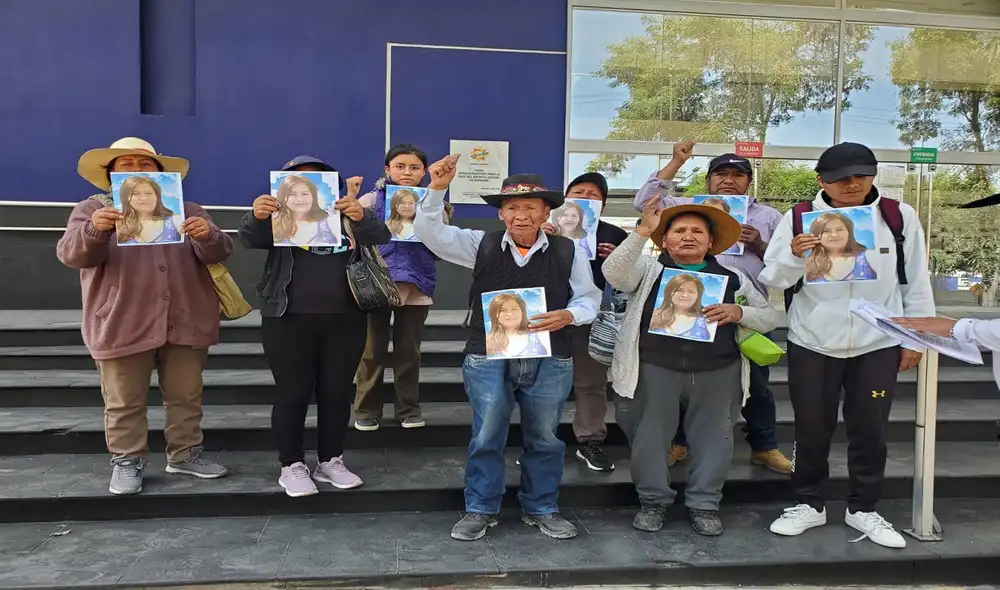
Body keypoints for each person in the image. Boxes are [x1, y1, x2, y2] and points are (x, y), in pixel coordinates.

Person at [414, 157, 602, 541]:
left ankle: (542, 507)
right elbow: (430, 232)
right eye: (512, 207)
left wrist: (569, 315)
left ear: (546, 212)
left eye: (530, 207)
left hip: (550, 356)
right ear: (501, 214)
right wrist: (436, 189)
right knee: (486, 434)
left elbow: (589, 298)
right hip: (487, 355)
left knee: (545, 436)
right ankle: (481, 507)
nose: (521, 215)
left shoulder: (568, 251)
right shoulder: (479, 245)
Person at [760, 142, 935, 549]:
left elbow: (915, 281)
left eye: (861, 175)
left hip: (877, 341)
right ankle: (809, 502)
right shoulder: (799, 217)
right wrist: (794, 256)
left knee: (870, 428)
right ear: (821, 180)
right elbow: (774, 279)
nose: (852, 184)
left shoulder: (898, 216)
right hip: (813, 341)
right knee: (811, 427)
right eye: (841, 178)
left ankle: (864, 507)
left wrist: (915, 339)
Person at [57, 137, 232, 495]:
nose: (137, 170)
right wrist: (94, 229)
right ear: (111, 174)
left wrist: (208, 235)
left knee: (186, 395)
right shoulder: (91, 209)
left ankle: (185, 453)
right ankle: (126, 459)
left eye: (145, 164)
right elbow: (71, 254)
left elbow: (220, 251)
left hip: (185, 318)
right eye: (126, 165)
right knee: (123, 399)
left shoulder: (187, 208)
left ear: (160, 172)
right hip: (121, 321)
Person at [605, 200, 779, 535]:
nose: (688, 236)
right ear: (664, 240)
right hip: (653, 369)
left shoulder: (733, 277)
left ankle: (704, 504)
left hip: (718, 371)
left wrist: (740, 312)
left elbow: (770, 317)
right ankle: (653, 501)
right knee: (649, 439)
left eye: (697, 231)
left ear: (711, 241)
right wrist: (641, 232)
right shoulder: (648, 271)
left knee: (715, 440)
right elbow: (614, 273)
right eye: (679, 231)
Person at [633, 141, 791, 475]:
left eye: (737, 174)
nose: (728, 180)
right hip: (687, 309)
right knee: (683, 379)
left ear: (749, 181)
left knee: (757, 385)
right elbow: (643, 203)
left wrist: (758, 244)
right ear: (708, 180)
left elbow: (785, 267)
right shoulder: (686, 207)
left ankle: (764, 446)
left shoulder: (769, 217)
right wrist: (676, 162)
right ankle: (679, 443)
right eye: (721, 174)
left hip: (743, 313)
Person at [239, 155, 390, 498]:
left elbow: (381, 234)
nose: (304, 189)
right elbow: (250, 239)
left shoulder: (344, 214)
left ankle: (330, 459)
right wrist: (257, 216)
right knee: (292, 393)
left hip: (346, 318)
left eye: (315, 181)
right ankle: (291, 464)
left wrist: (361, 215)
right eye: (296, 181)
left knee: (337, 393)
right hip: (287, 318)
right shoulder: (276, 215)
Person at [539, 172, 628, 472]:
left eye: (593, 194)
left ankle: (590, 440)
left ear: (603, 203)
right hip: (546, 314)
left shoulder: (615, 234)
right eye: (579, 192)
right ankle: (539, 442)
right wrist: (540, 238)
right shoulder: (544, 228)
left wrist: (616, 259)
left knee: (591, 381)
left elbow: (627, 278)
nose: (585, 197)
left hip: (591, 317)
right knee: (542, 382)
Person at [354, 144, 436, 431]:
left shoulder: (433, 203)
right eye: (400, 166)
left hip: (416, 283)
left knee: (408, 352)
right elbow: (351, 235)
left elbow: (441, 243)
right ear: (387, 169)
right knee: (371, 351)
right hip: (376, 283)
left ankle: (408, 409)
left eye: (414, 167)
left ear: (424, 172)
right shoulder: (369, 200)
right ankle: (366, 410)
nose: (407, 172)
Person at [804, 212, 877, 282]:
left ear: (849, 233)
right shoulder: (809, 264)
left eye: (840, 229)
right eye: (826, 231)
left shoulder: (869, 256)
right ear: (816, 235)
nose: (834, 235)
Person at [271, 174, 340, 246]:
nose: (300, 199)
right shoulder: (274, 224)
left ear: (313, 197)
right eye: (292, 194)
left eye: (305, 194)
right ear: (283, 197)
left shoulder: (330, 221)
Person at [115, 176, 184, 244]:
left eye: (149, 193)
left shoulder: (175, 220)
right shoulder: (119, 224)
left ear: (157, 197)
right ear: (126, 198)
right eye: (136, 194)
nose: (144, 198)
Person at [485, 292, 551, 358]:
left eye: (514, 309)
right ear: (495, 314)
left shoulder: (539, 333)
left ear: (522, 312)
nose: (510, 314)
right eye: (503, 310)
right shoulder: (489, 341)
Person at [648, 274, 712, 339]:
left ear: (697, 295)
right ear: (669, 293)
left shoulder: (708, 319)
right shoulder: (654, 315)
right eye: (679, 290)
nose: (685, 295)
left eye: (691, 291)